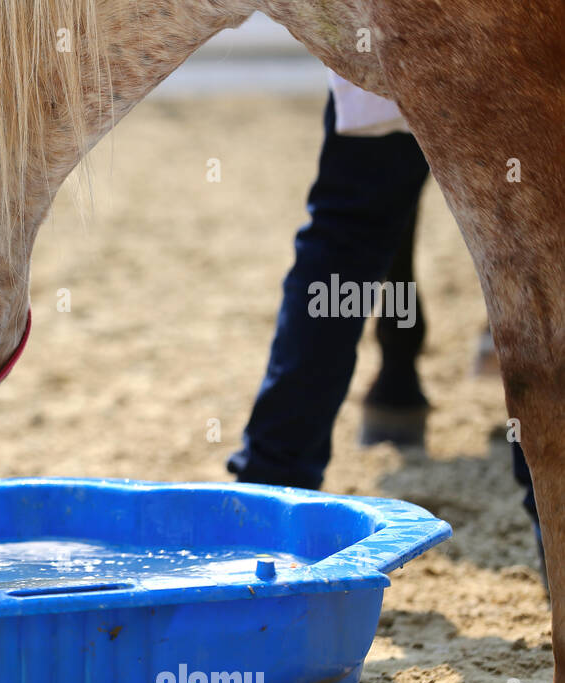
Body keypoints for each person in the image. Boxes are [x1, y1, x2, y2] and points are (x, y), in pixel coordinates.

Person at [228, 75, 540, 567]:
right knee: (531, 233)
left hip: (385, 56)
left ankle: (268, 502)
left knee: (348, 229)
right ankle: (550, 519)